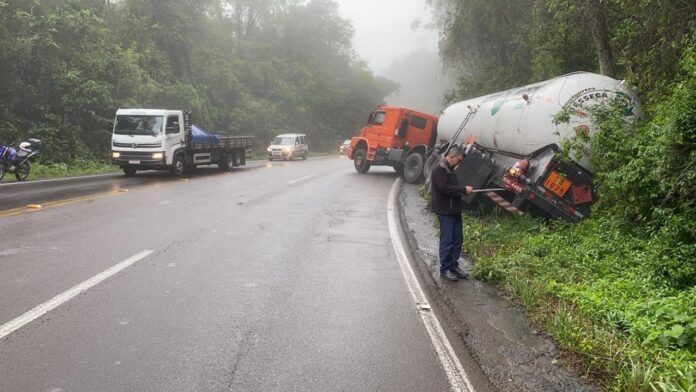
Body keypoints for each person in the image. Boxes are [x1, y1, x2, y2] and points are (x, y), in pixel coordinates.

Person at [430, 145, 473, 281]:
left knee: (457, 240)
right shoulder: (440, 169)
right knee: (447, 241)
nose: (459, 163)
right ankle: (445, 269)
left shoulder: (450, 169)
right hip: (445, 211)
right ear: (452, 156)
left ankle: (454, 266)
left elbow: (452, 187)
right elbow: (445, 188)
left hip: (454, 210)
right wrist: (463, 189)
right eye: (458, 160)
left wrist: (462, 190)